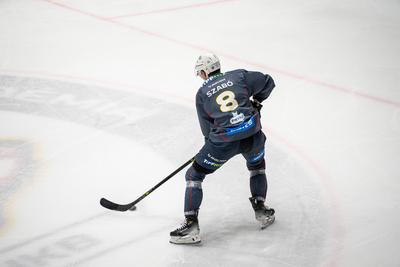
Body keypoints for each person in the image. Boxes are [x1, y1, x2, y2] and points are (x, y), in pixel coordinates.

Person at [170, 54, 276, 244]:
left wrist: (208, 149)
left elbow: (207, 129)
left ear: (203, 72)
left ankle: (191, 225)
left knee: (194, 175)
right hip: (253, 137)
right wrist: (257, 101)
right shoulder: (240, 76)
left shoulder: (202, 94)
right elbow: (268, 82)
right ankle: (261, 209)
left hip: (223, 144)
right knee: (257, 165)